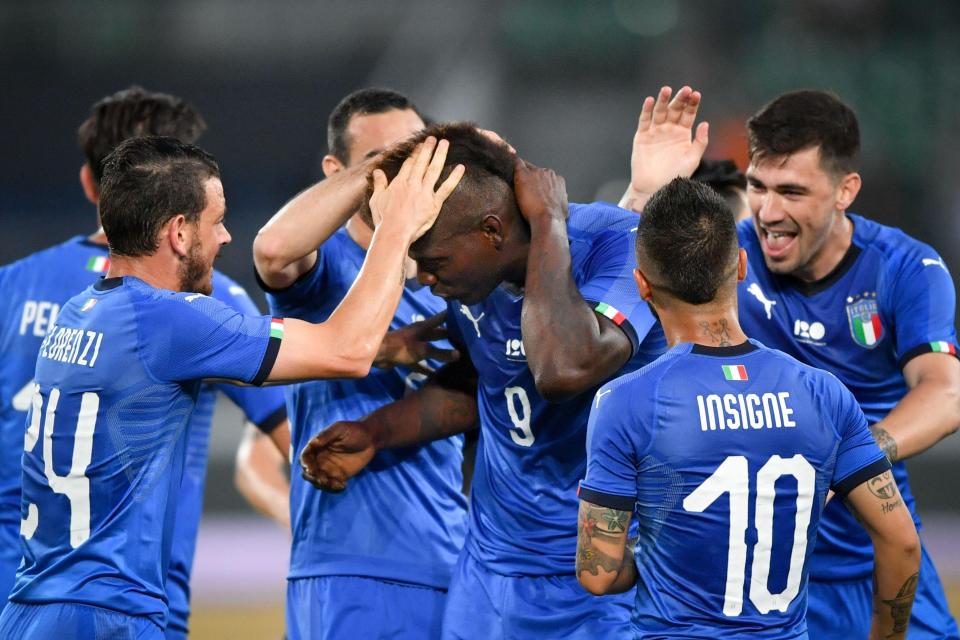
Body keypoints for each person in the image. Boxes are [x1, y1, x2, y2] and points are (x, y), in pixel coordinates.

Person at [0, 134, 461, 639]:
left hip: (31, 606)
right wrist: (396, 226)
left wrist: (385, 347)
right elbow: (345, 350)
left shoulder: (81, 313)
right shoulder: (169, 322)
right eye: (215, 221)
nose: (224, 238)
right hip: (107, 613)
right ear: (179, 232)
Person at [300, 87, 705, 639]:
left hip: (600, 576)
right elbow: (481, 382)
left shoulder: (619, 245)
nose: (423, 277)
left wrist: (548, 228)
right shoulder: (472, 278)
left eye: (432, 260)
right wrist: (378, 431)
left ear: (492, 231)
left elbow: (565, 369)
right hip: (488, 572)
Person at [622, 89, 960, 638]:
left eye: (793, 191)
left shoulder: (905, 268)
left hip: (874, 551)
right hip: (760, 579)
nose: (769, 212)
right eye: (758, 187)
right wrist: (642, 193)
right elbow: (626, 288)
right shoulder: (728, 256)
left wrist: (849, 461)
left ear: (846, 190)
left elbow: (946, 394)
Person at [0, 86, 290, 639]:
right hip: (126, 596)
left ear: (94, 186)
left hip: (23, 592)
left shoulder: (13, 288)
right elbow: (293, 435)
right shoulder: (202, 302)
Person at [578, 176, 921, 639]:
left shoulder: (624, 401)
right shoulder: (823, 392)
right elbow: (901, 543)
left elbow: (598, 573)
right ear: (741, 265)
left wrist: (664, 543)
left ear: (641, 284)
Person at [252, 87, 468, 639]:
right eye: (385, 159)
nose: (406, 175)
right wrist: (379, 174)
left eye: (417, 156)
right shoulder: (324, 272)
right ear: (336, 170)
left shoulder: (453, 276)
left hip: (458, 565)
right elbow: (274, 252)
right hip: (350, 567)